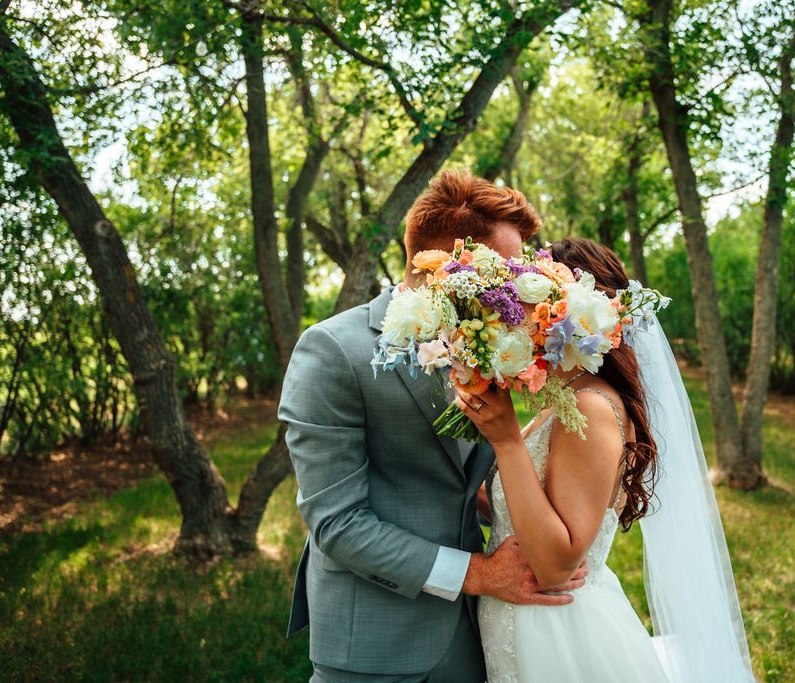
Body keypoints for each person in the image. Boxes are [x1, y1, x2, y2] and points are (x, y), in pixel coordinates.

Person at [278, 169, 587, 683]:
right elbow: (336, 523)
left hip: (473, 638)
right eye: (508, 273)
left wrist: (541, 530)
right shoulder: (333, 350)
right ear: (449, 266)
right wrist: (484, 575)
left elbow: (457, 475)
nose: (519, 293)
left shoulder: (490, 344)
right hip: (373, 644)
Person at [458, 237, 756, 682]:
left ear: (563, 315)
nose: (511, 318)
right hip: (526, 626)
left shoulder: (593, 408)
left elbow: (556, 568)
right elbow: (526, 504)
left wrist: (507, 442)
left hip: (558, 637)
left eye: (523, 305)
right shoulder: (564, 398)